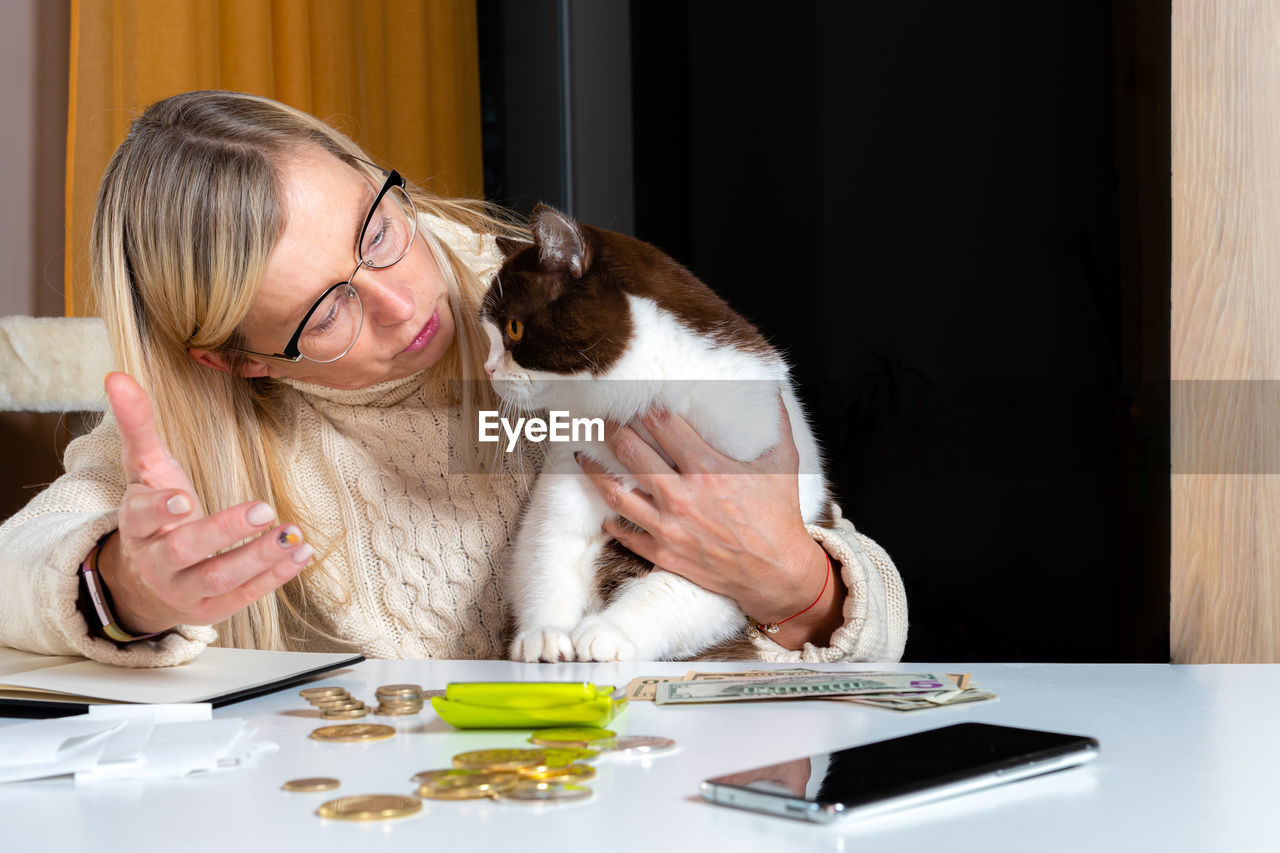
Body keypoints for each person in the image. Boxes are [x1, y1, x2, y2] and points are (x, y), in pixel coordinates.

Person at [0, 90, 907, 666]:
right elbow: (19, 571)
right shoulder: (202, 426)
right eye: (325, 312)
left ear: (370, 173)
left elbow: (882, 630)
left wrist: (802, 586)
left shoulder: (552, 308)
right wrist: (123, 584)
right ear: (235, 359)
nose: (403, 304)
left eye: (377, 228)